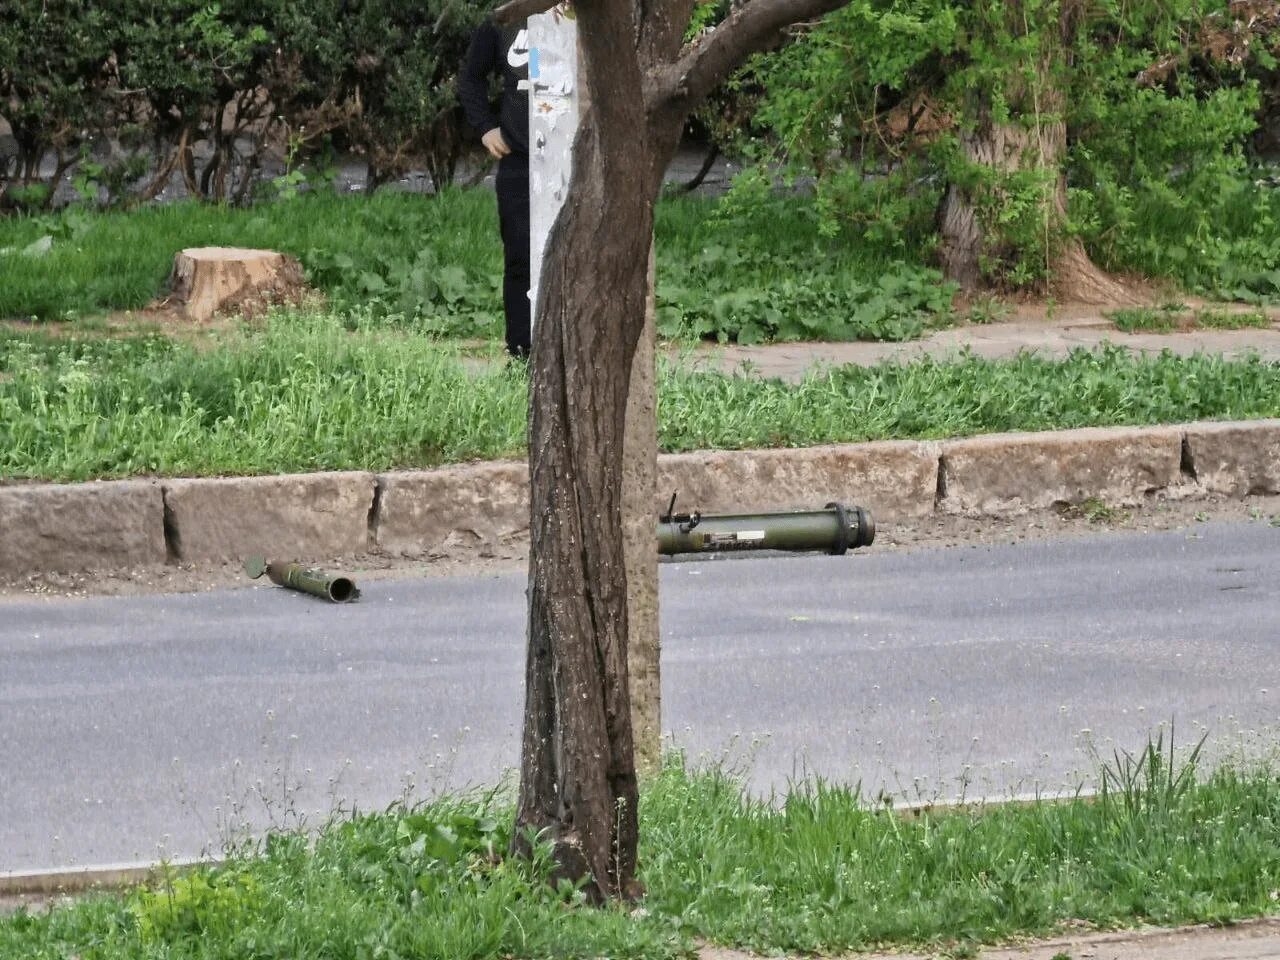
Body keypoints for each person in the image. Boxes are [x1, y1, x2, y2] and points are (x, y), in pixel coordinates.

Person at [458, 19, 531, 358]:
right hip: (518, 160)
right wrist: (486, 126)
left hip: (574, 160)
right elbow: (471, 77)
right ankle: (520, 353)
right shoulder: (503, 19)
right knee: (520, 257)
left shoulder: (583, 14)